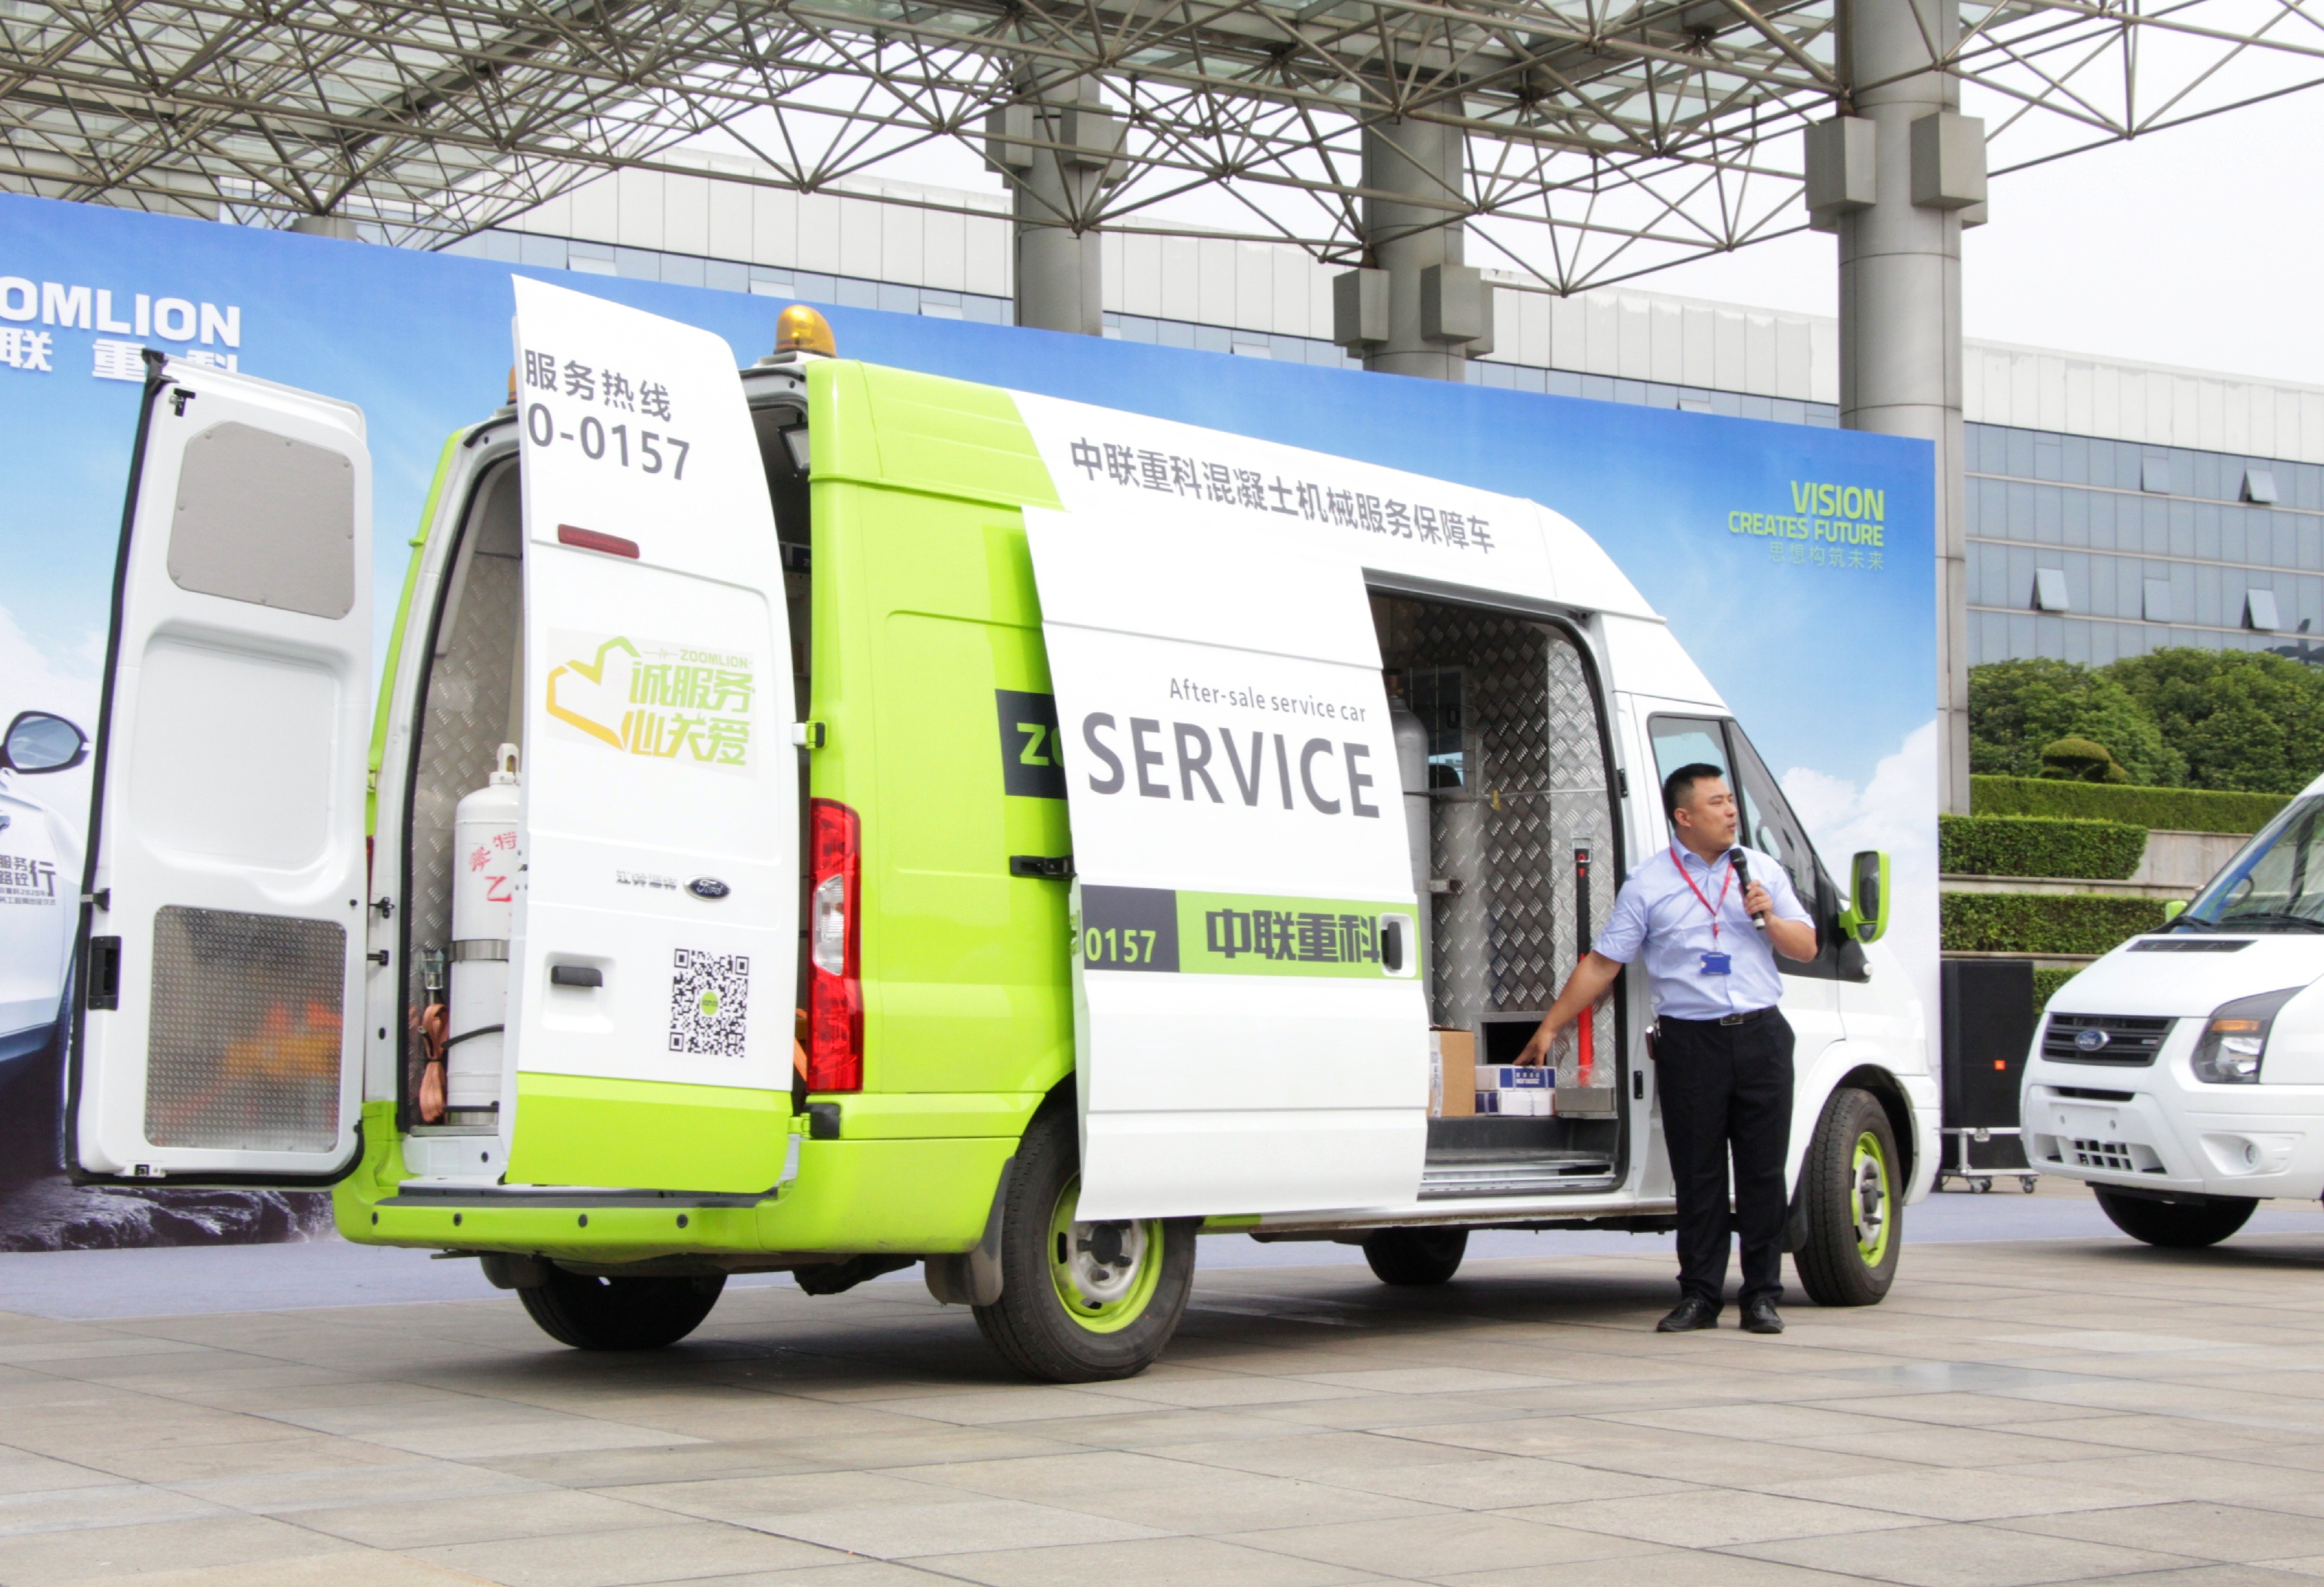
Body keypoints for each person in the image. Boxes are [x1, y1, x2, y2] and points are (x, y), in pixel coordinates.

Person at [1516, 762, 1817, 1334]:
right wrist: (1552, 1025)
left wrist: (1769, 918)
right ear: (1685, 816)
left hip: (1762, 1036)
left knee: (1763, 1173)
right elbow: (1604, 963)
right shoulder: (1649, 883)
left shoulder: (1761, 871)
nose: (1731, 811)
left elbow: (1806, 946)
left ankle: (1761, 1297)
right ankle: (1700, 1296)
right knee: (1698, 1175)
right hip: (1691, 1042)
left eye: (1731, 800)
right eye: (1717, 802)